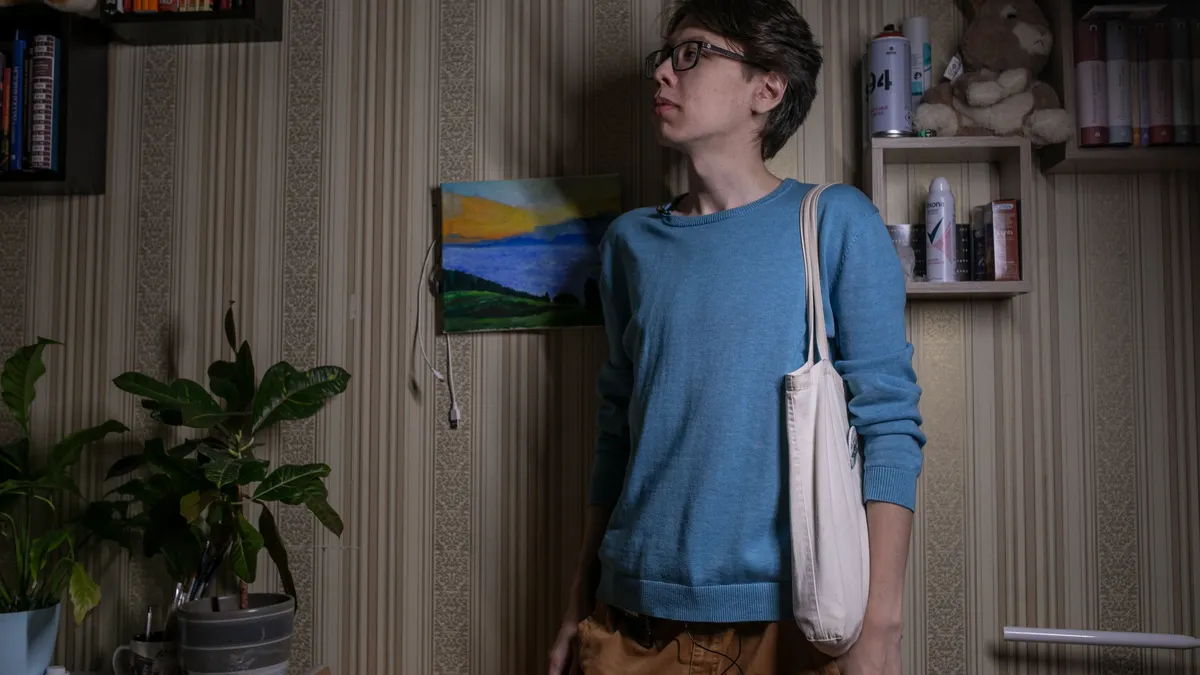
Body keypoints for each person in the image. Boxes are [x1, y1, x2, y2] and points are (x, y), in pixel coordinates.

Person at [547, 1, 926, 673]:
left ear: (767, 88)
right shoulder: (630, 242)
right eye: (663, 57)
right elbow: (616, 428)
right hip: (633, 619)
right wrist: (578, 601)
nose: (663, 73)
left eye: (691, 53)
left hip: (793, 623)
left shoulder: (834, 220)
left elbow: (889, 421)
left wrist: (882, 627)